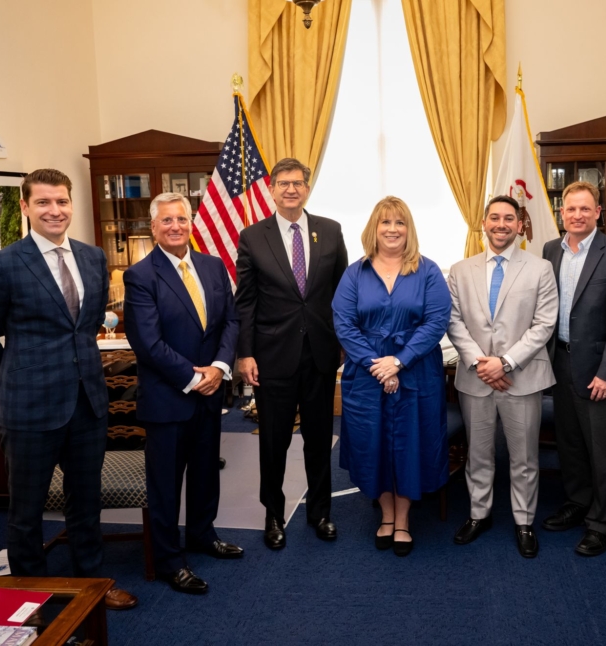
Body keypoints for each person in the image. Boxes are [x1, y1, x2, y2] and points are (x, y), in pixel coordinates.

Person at [0, 169, 137, 610]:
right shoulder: (1, 266)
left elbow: (88, 324)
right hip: (26, 409)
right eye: (43, 202)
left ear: (71, 204)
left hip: (86, 403)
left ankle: (93, 584)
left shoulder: (93, 258)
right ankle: (31, 597)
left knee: (86, 502)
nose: (54, 210)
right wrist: (15, 375)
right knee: (26, 512)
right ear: (25, 207)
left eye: (61, 201)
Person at [123, 193, 241, 595]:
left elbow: (230, 321)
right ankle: (170, 559)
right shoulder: (141, 275)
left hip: (210, 395)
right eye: (167, 220)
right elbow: (147, 343)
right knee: (166, 484)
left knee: (206, 473)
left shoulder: (211, 266)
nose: (176, 226)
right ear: (153, 227)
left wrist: (221, 368)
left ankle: (203, 536)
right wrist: (194, 377)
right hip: (168, 398)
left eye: (182, 219)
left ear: (192, 223)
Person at [235, 158, 349, 549]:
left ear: (307, 187)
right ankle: (273, 515)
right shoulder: (253, 237)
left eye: (298, 183)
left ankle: (321, 513)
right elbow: (245, 302)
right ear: (271, 188)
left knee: (319, 439)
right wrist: (245, 353)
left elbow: (341, 294)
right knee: (274, 442)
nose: (291, 189)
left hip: (320, 354)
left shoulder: (330, 232)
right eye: (283, 183)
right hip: (272, 357)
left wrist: (343, 343)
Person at [333, 196, 451, 557]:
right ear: (374, 228)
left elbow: (436, 321)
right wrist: (377, 364)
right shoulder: (356, 272)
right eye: (385, 223)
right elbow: (343, 323)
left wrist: (398, 362)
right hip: (367, 376)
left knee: (410, 444)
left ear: (408, 229)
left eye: (399, 223)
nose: (392, 229)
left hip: (417, 374)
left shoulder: (428, 271)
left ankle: (404, 519)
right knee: (373, 445)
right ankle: (385, 514)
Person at [447, 195, 557, 558]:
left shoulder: (539, 268)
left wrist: (505, 362)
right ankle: (479, 514)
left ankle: (524, 520)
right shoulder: (460, 270)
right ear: (484, 222)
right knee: (478, 454)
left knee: (524, 457)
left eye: (509, 218)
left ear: (520, 224)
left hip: (522, 378)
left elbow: (544, 324)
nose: (501, 224)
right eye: (494, 217)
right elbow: (453, 321)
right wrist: (482, 363)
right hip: (475, 378)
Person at [541, 181, 606, 556]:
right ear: (561, 213)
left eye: (585, 209)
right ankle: (579, 501)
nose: (577, 215)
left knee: (604, 451)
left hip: (599, 369)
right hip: (560, 362)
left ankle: (604, 521)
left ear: (598, 212)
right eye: (571, 209)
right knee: (569, 443)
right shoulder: (551, 250)